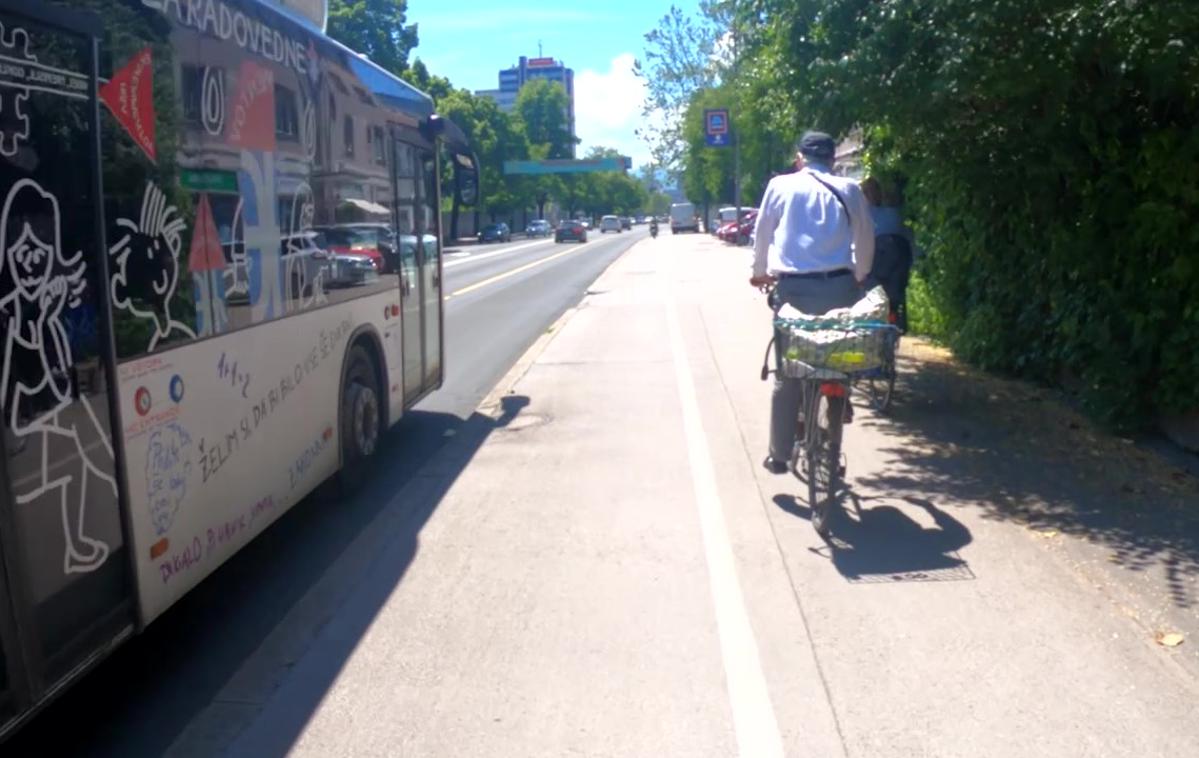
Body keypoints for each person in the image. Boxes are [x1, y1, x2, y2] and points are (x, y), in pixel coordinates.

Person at [750, 131, 875, 474]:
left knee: (789, 374)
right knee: (841, 356)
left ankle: (779, 455)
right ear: (833, 160)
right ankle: (840, 398)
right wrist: (860, 275)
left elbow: (762, 233)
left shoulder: (780, 186)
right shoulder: (849, 189)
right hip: (841, 290)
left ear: (799, 158)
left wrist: (759, 272)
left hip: (795, 292)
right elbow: (866, 239)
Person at [860, 177, 915, 332]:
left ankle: (875, 326)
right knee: (895, 296)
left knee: (871, 291)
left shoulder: (866, 214)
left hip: (878, 258)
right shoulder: (896, 214)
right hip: (901, 257)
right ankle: (896, 322)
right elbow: (910, 239)